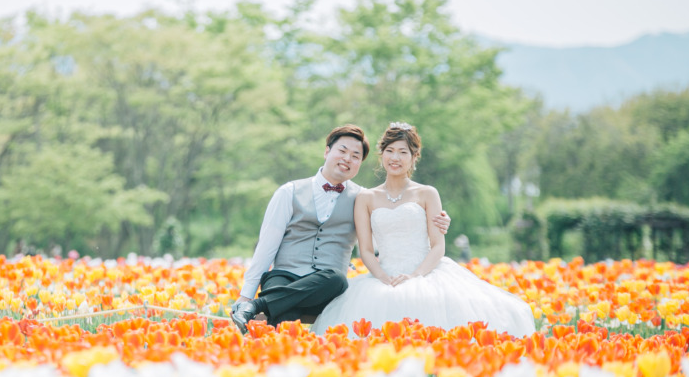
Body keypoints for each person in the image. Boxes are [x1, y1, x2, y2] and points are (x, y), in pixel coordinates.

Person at [310, 122, 536, 337]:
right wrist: (383, 277)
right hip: (383, 276)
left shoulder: (427, 193)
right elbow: (366, 250)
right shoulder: (365, 198)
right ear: (382, 155)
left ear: (414, 157)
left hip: (427, 272)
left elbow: (438, 246)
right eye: (390, 151)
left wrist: (415, 276)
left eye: (403, 152)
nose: (395, 158)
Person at [228, 124, 450, 333]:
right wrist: (246, 295)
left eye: (355, 156)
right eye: (342, 151)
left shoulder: (362, 198)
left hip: (326, 284)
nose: (347, 159)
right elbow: (266, 247)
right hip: (284, 278)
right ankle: (263, 325)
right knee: (287, 318)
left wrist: (434, 220)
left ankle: (259, 308)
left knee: (337, 279)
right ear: (326, 151)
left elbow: (386, 234)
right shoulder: (289, 191)